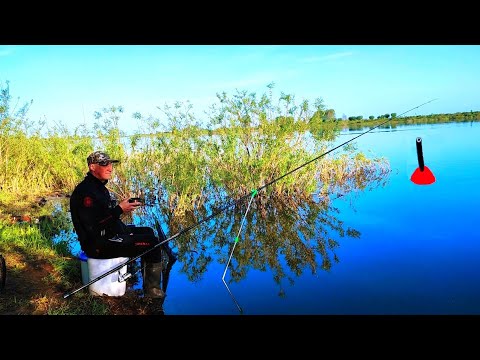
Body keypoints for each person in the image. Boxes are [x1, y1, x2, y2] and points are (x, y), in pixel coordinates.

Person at [69, 150, 176, 299]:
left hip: (106, 236)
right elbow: (93, 227)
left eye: (111, 164)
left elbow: (103, 217)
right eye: (104, 164)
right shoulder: (86, 193)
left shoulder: (98, 188)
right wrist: (119, 210)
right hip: (97, 246)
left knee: (148, 231)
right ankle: (153, 295)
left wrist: (121, 212)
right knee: (152, 243)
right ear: (92, 167)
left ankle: (139, 277)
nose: (110, 168)